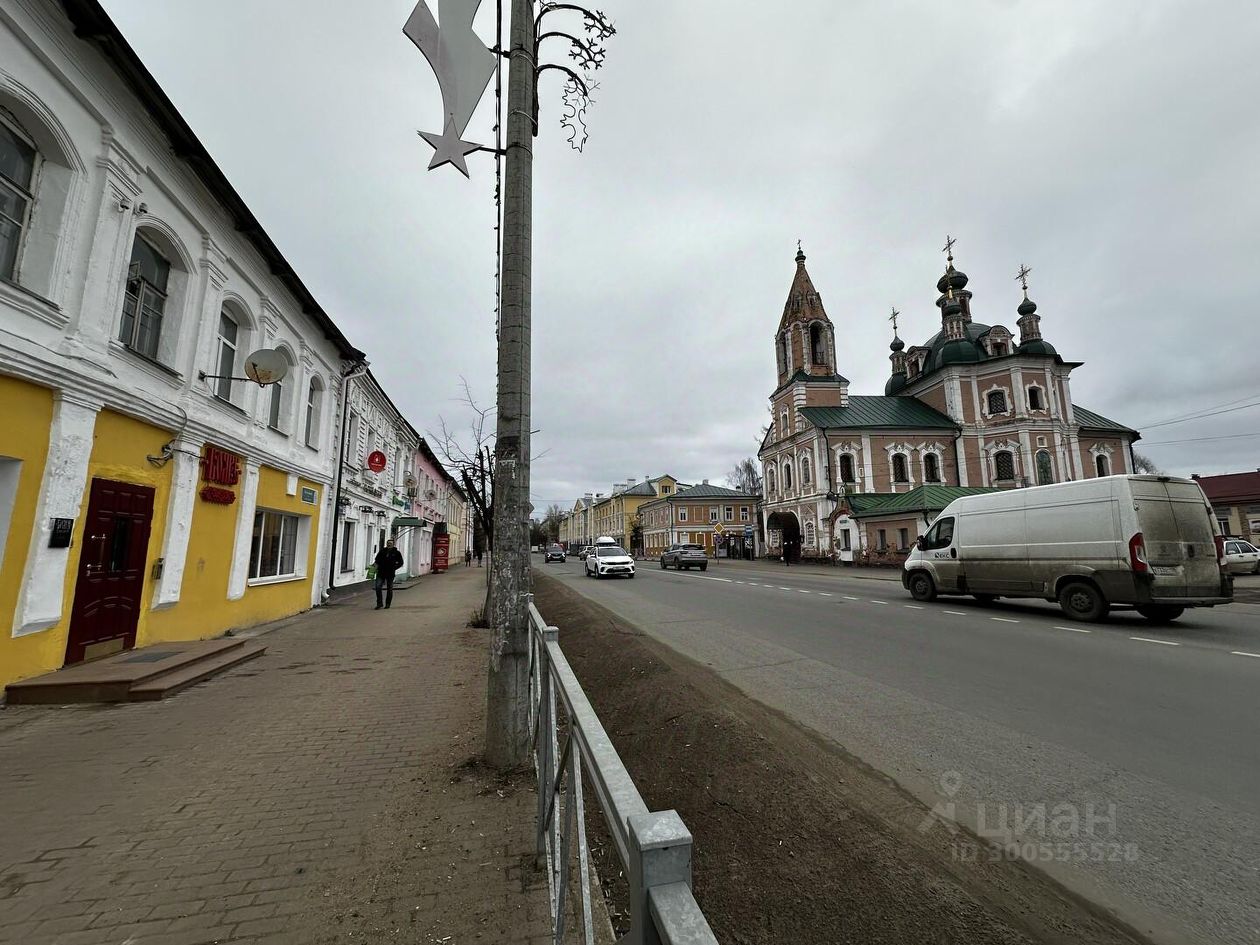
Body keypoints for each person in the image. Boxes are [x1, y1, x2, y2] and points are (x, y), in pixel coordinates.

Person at [373, 539, 404, 610]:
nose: (389, 544)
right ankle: (379, 603)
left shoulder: (396, 553)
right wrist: (374, 567)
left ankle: (387, 604)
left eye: (390, 543)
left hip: (390, 573)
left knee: (389, 589)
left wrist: (394, 568)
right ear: (386, 544)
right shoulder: (382, 551)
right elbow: (377, 560)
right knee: (378, 587)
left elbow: (401, 562)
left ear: (393, 544)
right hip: (381, 572)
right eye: (388, 543)